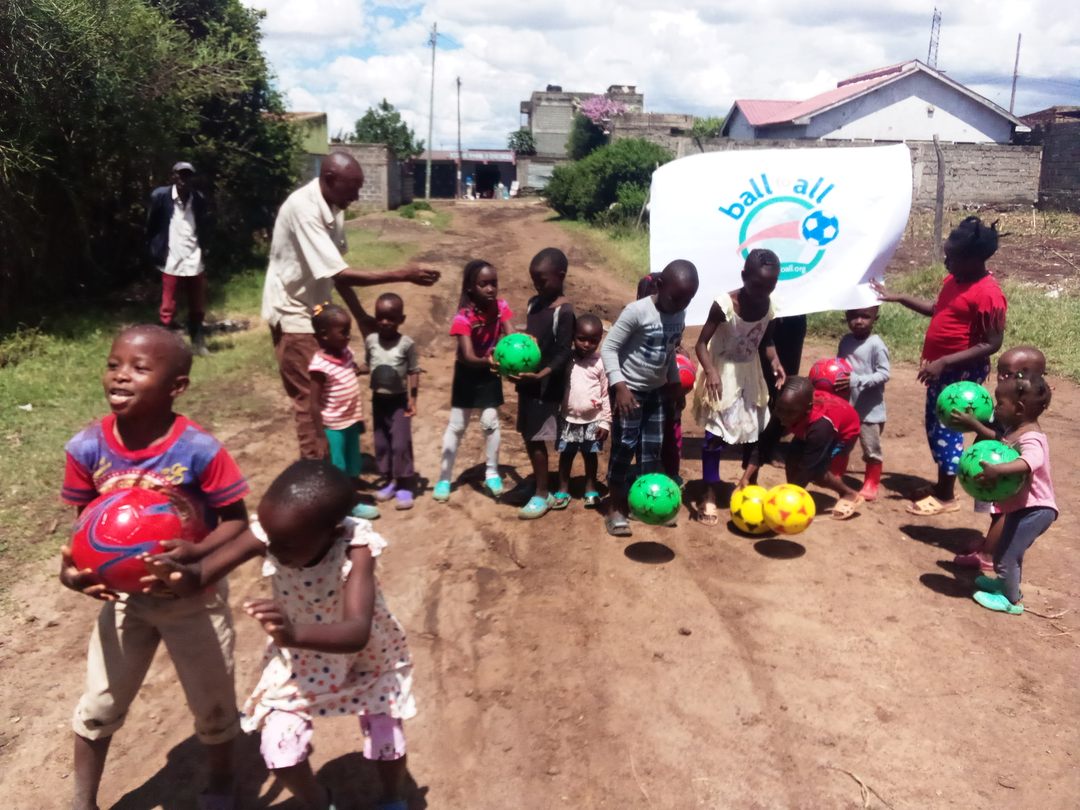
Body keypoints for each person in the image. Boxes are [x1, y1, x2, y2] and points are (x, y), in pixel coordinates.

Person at [146, 460, 416, 809]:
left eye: (286, 545)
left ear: (333, 533)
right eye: (269, 539)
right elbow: (200, 576)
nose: (272, 550)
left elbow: (356, 632)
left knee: (387, 739)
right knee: (279, 752)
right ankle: (320, 802)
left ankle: (392, 796)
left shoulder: (356, 548)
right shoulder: (273, 535)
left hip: (368, 660)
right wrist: (174, 575)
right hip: (300, 659)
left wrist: (292, 632)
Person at [58, 324, 249, 810]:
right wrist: (78, 572)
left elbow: (236, 521)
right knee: (98, 705)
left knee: (213, 703)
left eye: (139, 368)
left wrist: (197, 555)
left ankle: (222, 782)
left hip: (193, 597)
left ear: (176, 386)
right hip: (126, 601)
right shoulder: (86, 447)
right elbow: (86, 526)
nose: (120, 376)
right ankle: (83, 802)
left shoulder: (198, 449)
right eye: (113, 364)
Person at [262, 152, 439, 459]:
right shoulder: (304, 208)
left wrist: (360, 316)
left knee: (331, 393)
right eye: (353, 188)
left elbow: (334, 272)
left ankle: (333, 470)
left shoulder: (334, 207)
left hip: (318, 313)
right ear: (330, 180)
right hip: (294, 315)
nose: (356, 197)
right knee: (311, 399)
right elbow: (341, 273)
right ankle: (319, 475)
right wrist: (404, 274)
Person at [873, 215, 1006, 516]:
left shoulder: (988, 293)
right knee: (936, 427)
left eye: (952, 258)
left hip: (960, 374)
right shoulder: (954, 281)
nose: (946, 263)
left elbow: (992, 343)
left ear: (973, 260)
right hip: (943, 371)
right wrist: (899, 297)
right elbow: (938, 310)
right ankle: (941, 484)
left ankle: (946, 496)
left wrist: (944, 362)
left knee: (948, 430)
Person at [600, 260, 699, 537]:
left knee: (651, 451)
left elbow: (669, 352)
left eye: (687, 300)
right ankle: (615, 508)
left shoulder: (679, 314)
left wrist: (675, 384)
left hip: (657, 392)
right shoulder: (637, 312)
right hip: (629, 392)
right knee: (624, 448)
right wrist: (620, 387)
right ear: (659, 286)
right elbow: (609, 348)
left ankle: (644, 504)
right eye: (676, 298)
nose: (680, 305)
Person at [692, 248, 784, 526]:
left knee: (754, 431)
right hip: (721, 373)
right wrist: (711, 371)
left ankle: (748, 486)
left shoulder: (770, 306)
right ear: (744, 276)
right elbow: (700, 343)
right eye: (757, 285)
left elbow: (766, 341)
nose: (762, 292)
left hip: (750, 374)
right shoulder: (725, 305)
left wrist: (775, 361)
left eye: (770, 286)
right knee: (715, 435)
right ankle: (709, 491)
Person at [955, 376, 1056, 615]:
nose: (995, 407)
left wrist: (998, 470)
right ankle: (1005, 584)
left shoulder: (1031, 437)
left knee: (1008, 554)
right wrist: (975, 425)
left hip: (1036, 509)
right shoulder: (1015, 430)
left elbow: (1031, 460)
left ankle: (1011, 600)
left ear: (1019, 408)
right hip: (1021, 506)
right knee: (1005, 550)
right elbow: (997, 441)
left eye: (1000, 403)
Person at [952, 346, 1047, 571]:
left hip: (1002, 475)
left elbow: (1002, 441)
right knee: (996, 513)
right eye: (1000, 371)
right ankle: (991, 544)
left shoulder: (1019, 418)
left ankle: (987, 555)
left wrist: (974, 425)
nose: (1001, 377)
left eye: (1008, 373)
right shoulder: (1010, 404)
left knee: (1001, 514)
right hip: (995, 472)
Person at [433, 259, 512, 503]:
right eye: (483, 284)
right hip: (468, 373)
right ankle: (444, 478)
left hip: (489, 372)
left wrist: (522, 344)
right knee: (457, 426)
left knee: (490, 423)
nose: (490, 289)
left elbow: (511, 336)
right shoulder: (463, 317)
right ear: (470, 288)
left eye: (494, 283)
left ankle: (492, 473)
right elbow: (467, 356)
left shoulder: (501, 307)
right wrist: (491, 360)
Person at [512, 248, 575, 520]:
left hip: (546, 386)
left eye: (542, 279)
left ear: (560, 275)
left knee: (538, 438)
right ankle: (538, 483)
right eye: (534, 280)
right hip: (528, 382)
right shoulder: (533, 304)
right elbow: (532, 338)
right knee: (528, 435)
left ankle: (542, 493)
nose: (537, 285)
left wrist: (542, 375)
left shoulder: (564, 311)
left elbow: (564, 352)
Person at [743, 377, 864, 519]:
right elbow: (763, 444)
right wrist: (747, 477)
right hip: (806, 426)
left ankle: (849, 494)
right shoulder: (785, 408)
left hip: (842, 433)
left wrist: (784, 503)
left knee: (816, 472)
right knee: (792, 459)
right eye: (780, 410)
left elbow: (808, 467)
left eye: (789, 413)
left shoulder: (821, 428)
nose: (783, 417)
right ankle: (794, 494)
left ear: (808, 409)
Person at [307, 303, 379, 521]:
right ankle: (346, 507)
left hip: (350, 422)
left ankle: (352, 498)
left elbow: (352, 373)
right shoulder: (320, 366)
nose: (348, 336)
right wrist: (320, 436)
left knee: (353, 464)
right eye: (343, 332)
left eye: (349, 331)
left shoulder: (346, 353)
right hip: (333, 427)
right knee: (338, 468)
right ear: (324, 335)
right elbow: (313, 403)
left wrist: (358, 419)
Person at [147, 161, 212, 355]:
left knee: (197, 302)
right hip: (171, 256)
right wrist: (156, 249)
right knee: (168, 305)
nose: (184, 180)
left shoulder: (198, 199)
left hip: (193, 255)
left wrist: (205, 248)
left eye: (188, 176)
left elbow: (204, 225)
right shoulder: (161, 197)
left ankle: (198, 342)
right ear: (173, 177)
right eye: (181, 175)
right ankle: (165, 347)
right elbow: (151, 225)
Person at [365, 293, 420, 510]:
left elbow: (413, 371)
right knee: (382, 443)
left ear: (401, 319)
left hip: (399, 402)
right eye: (380, 317)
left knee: (400, 443)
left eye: (391, 318)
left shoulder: (406, 344)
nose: (385, 322)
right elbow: (368, 364)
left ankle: (404, 484)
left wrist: (413, 399)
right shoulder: (371, 340)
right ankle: (390, 481)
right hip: (378, 401)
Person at [555, 314, 611, 509]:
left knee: (590, 455)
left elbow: (605, 394)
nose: (587, 344)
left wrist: (605, 421)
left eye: (593, 341)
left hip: (593, 420)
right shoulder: (567, 359)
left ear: (600, 340)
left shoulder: (600, 363)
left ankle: (590, 489)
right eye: (581, 339)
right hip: (568, 419)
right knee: (566, 455)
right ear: (573, 336)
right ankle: (563, 489)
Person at [837, 306, 891, 500]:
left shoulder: (876, 345)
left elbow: (884, 374)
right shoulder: (845, 341)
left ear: (876, 318)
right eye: (853, 316)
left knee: (871, 448)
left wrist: (857, 380)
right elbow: (839, 366)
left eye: (865, 316)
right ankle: (836, 474)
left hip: (870, 411)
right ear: (846, 316)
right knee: (842, 443)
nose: (858, 321)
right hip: (847, 407)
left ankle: (871, 482)